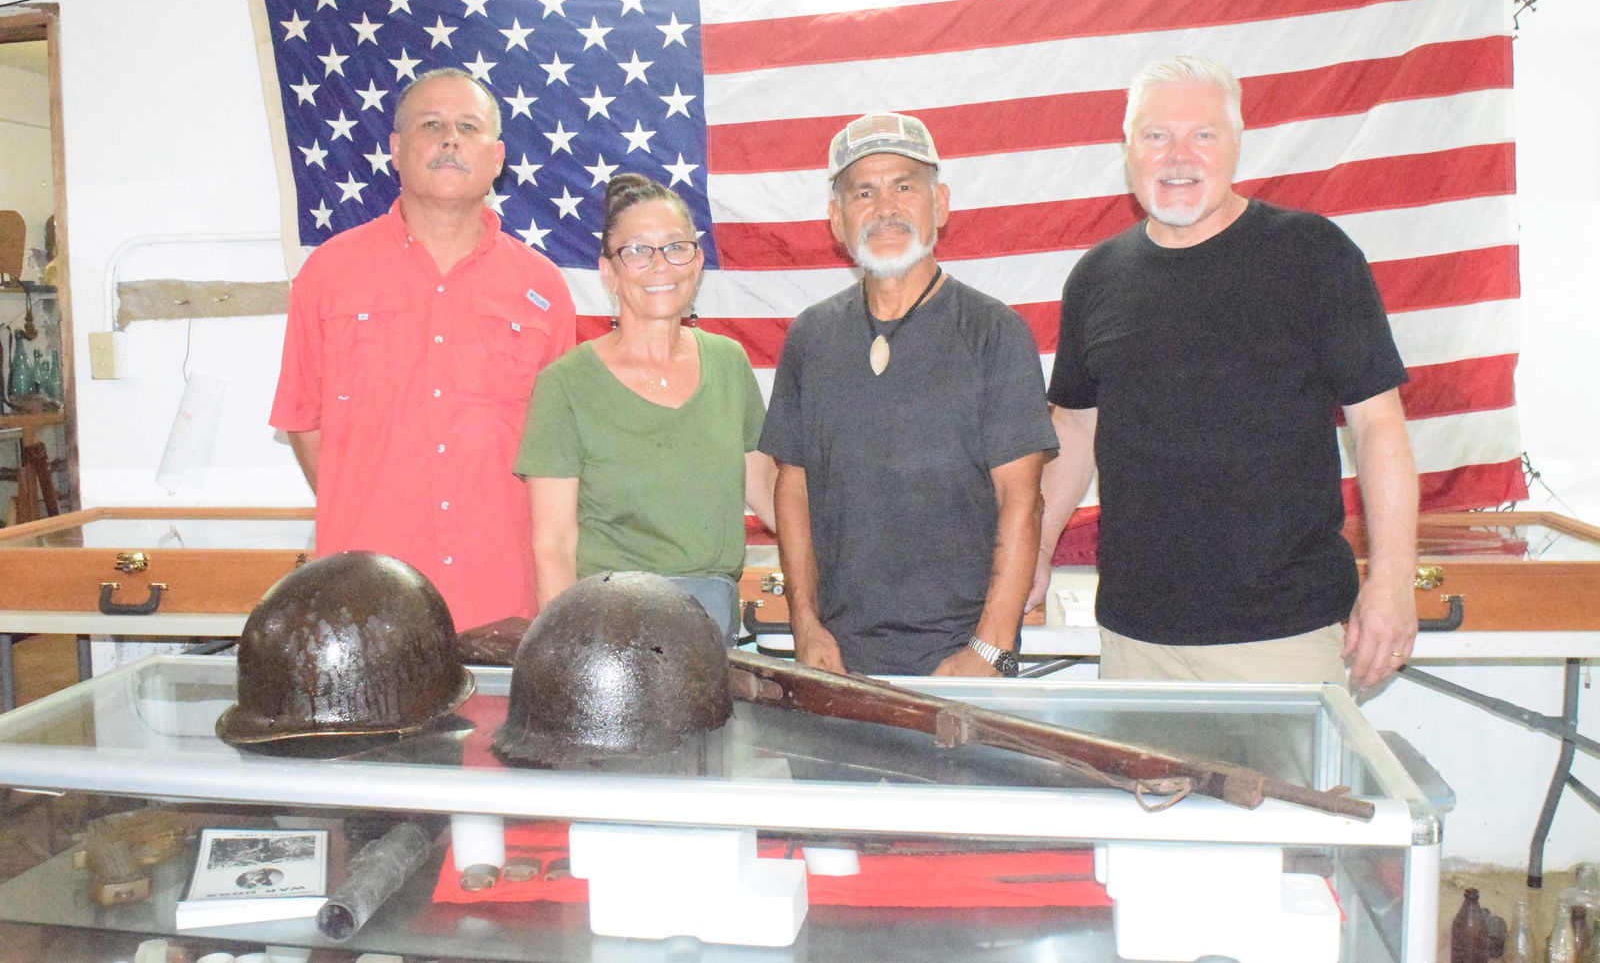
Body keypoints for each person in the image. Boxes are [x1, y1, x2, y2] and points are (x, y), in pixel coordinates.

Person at [1031, 56, 1417, 690]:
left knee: (1289, 796)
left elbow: (1379, 427)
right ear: (1129, 151)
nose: (1178, 155)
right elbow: (1073, 427)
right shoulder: (1096, 278)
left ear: (1237, 145)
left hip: (1283, 635)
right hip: (1135, 638)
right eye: (1156, 136)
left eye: (1202, 134)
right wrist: (1036, 552)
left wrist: (1394, 581)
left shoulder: (1314, 255)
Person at [271, 67, 576, 631]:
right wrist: (370, 506)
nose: (450, 139)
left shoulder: (543, 288)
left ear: (498, 155)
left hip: (503, 593)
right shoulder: (328, 274)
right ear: (395, 149)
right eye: (430, 124)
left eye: (468, 127)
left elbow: (557, 449)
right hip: (366, 596)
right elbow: (305, 421)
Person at [760, 112, 1058, 677]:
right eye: (863, 192)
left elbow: (1023, 500)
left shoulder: (995, 333)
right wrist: (806, 627)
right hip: (836, 664)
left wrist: (989, 650)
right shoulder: (810, 337)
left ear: (940, 203)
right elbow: (792, 487)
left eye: (904, 186)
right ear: (835, 218)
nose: (885, 208)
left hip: (961, 660)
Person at [515, 174, 777, 620]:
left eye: (676, 247)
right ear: (609, 273)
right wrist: (565, 658)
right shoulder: (566, 384)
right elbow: (554, 545)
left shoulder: (729, 362)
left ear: (696, 265)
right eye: (637, 250)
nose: (661, 265)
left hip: (714, 628)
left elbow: (770, 493)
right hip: (607, 627)